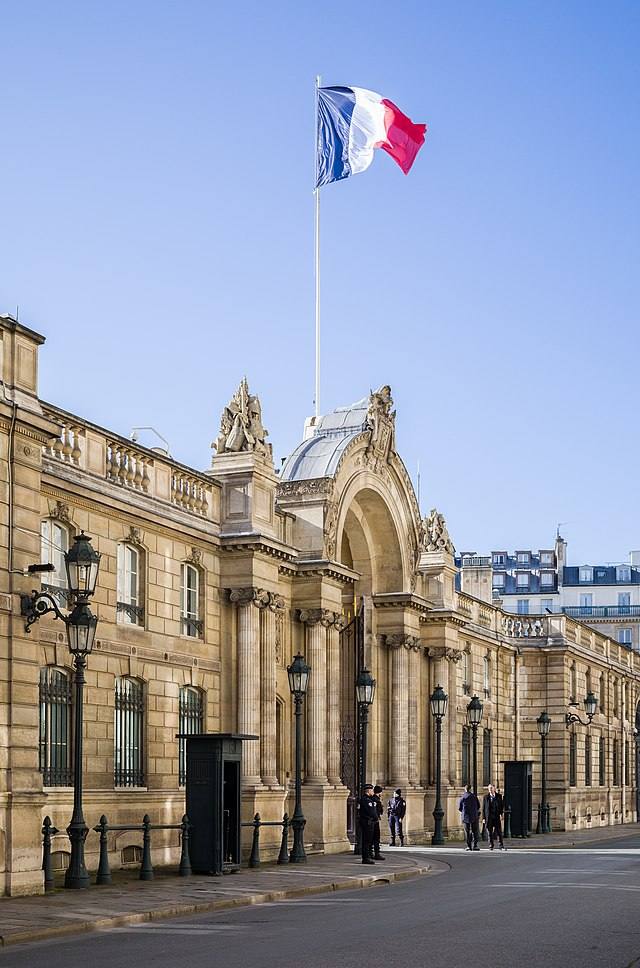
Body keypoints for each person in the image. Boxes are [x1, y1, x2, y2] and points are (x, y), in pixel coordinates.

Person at [358, 784, 379, 864]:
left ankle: (368, 856)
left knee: (369, 841)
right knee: (366, 841)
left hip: (369, 822)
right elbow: (371, 812)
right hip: (367, 822)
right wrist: (376, 818)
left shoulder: (369, 799)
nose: (373, 792)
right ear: (368, 791)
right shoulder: (365, 800)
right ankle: (366, 858)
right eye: (372, 790)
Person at [482, 783, 506, 850]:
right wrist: (483, 818)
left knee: (499, 832)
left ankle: (501, 845)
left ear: (494, 789)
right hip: (489, 817)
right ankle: (491, 845)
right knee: (489, 832)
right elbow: (484, 808)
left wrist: (501, 814)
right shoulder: (486, 797)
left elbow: (501, 806)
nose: (490, 790)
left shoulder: (499, 796)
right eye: (489, 788)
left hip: (496, 816)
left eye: (491, 788)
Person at [458, 784, 481, 851]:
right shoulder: (474, 796)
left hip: (465, 817)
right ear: (470, 789)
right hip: (474, 816)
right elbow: (478, 806)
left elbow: (460, 808)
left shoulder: (463, 797)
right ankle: (475, 845)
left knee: (467, 832)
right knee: (475, 831)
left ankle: (469, 846)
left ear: (465, 789)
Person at [371, 785, 385, 859]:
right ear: (380, 793)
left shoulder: (371, 799)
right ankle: (377, 853)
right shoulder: (377, 800)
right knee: (376, 837)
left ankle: (370, 853)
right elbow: (381, 811)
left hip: (371, 820)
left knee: (371, 837)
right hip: (375, 820)